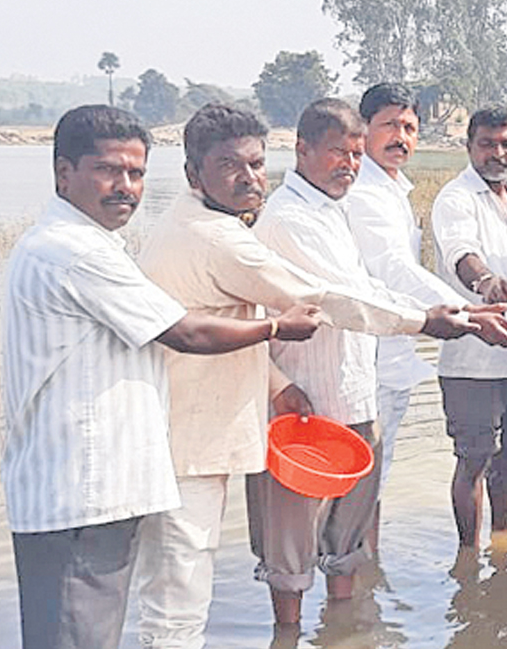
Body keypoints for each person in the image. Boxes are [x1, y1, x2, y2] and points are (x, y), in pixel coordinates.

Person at [134, 103, 477, 647]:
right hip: (195, 440)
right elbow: (325, 299)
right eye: (229, 167)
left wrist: (276, 385)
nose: (248, 177)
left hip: (248, 420)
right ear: (194, 174)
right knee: (180, 603)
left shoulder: (247, 219)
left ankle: (338, 633)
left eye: (252, 163)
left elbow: (248, 315)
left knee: (195, 591)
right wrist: (424, 321)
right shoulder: (242, 231)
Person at [1, 105, 322, 649]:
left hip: (97, 491)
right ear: (63, 173)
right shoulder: (73, 253)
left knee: (103, 630)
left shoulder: (97, 245)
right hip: (78, 493)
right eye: (107, 170)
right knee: (90, 634)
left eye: (136, 173)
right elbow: (185, 332)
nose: (125, 186)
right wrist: (273, 328)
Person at [249, 98, 507, 627]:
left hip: (354, 393)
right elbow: (343, 299)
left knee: (346, 538)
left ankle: (348, 631)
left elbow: (372, 283)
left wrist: (461, 310)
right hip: (304, 406)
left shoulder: (334, 209)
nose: (349, 165)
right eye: (337, 154)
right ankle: (288, 636)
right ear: (301, 150)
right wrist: (430, 321)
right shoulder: (288, 218)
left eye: (354, 154)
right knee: (292, 548)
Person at [344, 83, 472, 486]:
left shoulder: (390, 188)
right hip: (367, 367)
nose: (401, 138)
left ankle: (368, 551)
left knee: (373, 484)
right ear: (362, 129)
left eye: (410, 128)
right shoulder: (362, 192)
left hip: (392, 359)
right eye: (390, 126)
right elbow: (394, 269)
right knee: (361, 489)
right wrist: (470, 313)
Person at [431, 105, 507, 550]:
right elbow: (461, 253)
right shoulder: (455, 198)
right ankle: (468, 557)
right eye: (487, 144)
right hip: (471, 359)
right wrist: (485, 281)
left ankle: (502, 545)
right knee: (473, 459)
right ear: (469, 147)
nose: (497, 153)